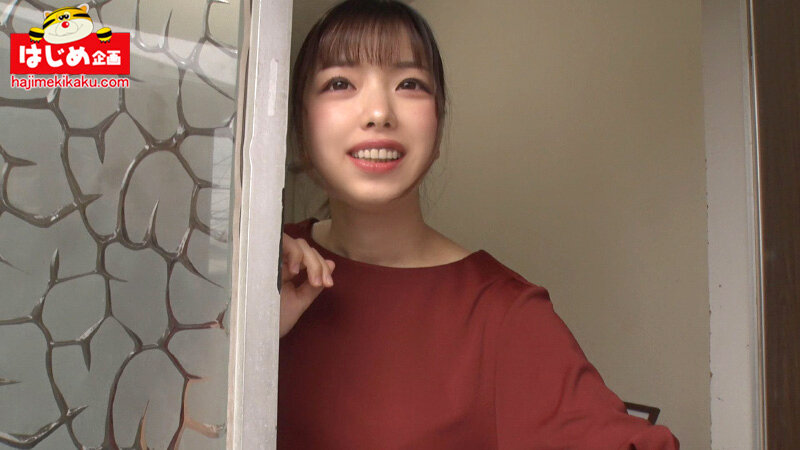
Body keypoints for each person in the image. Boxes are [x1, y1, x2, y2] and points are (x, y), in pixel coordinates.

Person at [278, 1, 679, 448]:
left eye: (410, 84)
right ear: (300, 124)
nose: (378, 112)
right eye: (339, 83)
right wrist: (254, 335)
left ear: (438, 126)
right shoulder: (261, 272)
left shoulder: (502, 313)